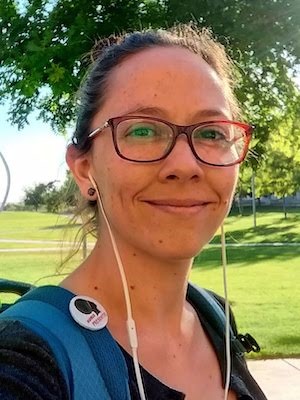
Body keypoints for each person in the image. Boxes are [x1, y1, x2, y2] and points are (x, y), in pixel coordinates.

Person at [0, 25, 267, 399]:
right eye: (142, 131)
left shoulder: (213, 316)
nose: (186, 164)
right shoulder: (25, 362)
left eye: (211, 133)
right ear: (84, 169)